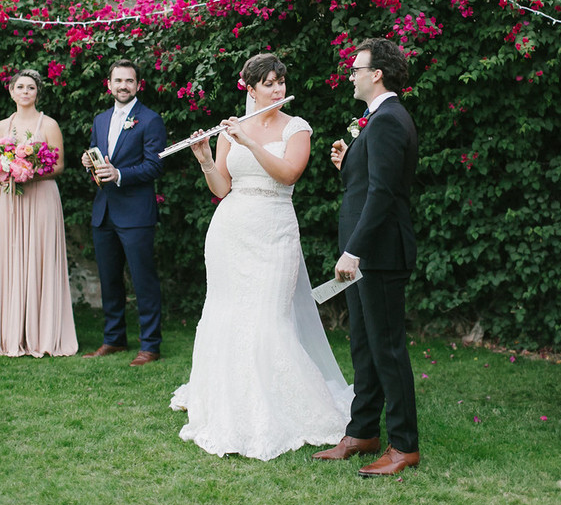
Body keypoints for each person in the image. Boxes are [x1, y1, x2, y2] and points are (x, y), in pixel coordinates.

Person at [170, 53, 351, 460]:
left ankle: (279, 406)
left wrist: (248, 140)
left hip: (274, 230)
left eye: (281, 81)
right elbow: (221, 188)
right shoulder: (227, 130)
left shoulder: (296, 128)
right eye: (268, 83)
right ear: (249, 87)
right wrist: (202, 156)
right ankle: (231, 401)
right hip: (231, 231)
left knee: (269, 318)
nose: (277, 89)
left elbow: (288, 174)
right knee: (228, 313)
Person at [312, 37, 420, 476]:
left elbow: (384, 194)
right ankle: (362, 432)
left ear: (376, 74)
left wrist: (353, 250)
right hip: (361, 252)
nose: (351, 74)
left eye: (357, 68)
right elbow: (369, 182)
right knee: (364, 345)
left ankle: (404, 446)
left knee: (388, 348)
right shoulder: (376, 120)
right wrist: (349, 162)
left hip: (377, 254)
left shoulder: (391, 119)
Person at [81, 59, 166, 366]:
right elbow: (96, 150)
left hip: (136, 214)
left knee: (143, 280)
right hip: (104, 212)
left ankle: (151, 345)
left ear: (138, 85)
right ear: (109, 84)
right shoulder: (101, 119)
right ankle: (114, 339)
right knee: (109, 279)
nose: (123, 86)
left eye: (129, 81)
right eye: (118, 81)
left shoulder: (150, 119)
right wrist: (89, 161)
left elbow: (155, 164)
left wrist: (119, 174)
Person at [0, 69, 78, 357]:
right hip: (9, 200)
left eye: (30, 87)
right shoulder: (1, 126)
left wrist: (30, 173)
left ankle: (41, 332)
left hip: (42, 197)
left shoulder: (50, 124)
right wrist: (8, 169)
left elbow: (58, 167)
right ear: (11, 91)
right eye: (19, 86)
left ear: (37, 93)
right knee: (9, 259)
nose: (25, 92)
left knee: (39, 257)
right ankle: (11, 332)